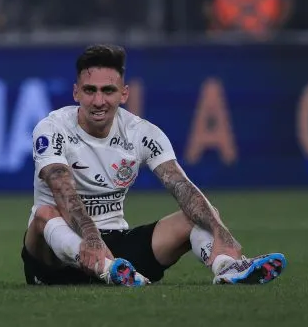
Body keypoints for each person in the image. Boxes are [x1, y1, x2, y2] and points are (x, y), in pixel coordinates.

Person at [22, 44, 287, 287]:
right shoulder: (52, 128)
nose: (99, 101)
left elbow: (180, 184)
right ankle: (107, 269)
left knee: (197, 213)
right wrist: (91, 239)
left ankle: (227, 267)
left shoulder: (142, 133)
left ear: (124, 94)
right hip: (55, 255)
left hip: (117, 248)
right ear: (76, 91)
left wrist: (221, 231)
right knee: (45, 213)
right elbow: (60, 187)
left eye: (108, 91)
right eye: (90, 90)